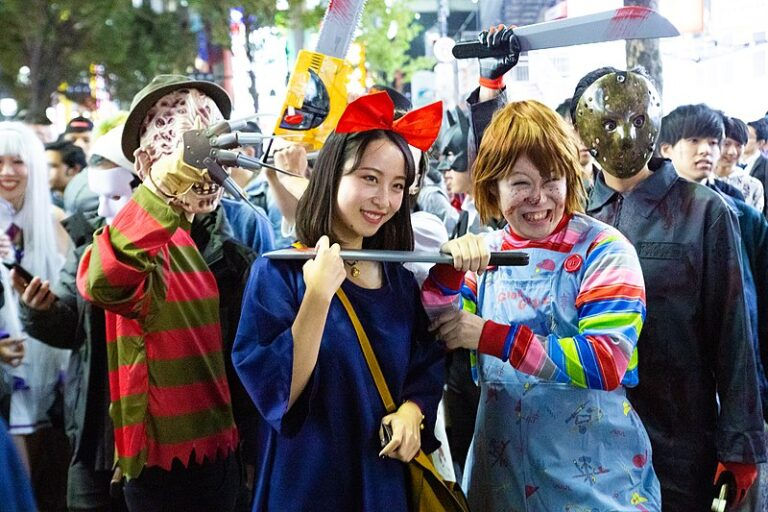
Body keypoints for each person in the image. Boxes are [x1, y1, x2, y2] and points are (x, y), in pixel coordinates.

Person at [424, 98, 660, 511]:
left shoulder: (603, 250)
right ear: (493, 188)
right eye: (519, 183)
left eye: (552, 180)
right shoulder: (486, 255)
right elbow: (435, 326)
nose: (539, 198)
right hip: (502, 481)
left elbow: (605, 361)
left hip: (598, 486)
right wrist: (448, 271)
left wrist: (489, 336)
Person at [232, 91, 446, 511]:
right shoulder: (279, 273)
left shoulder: (400, 282)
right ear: (331, 175)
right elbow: (280, 394)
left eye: (397, 185)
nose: (384, 200)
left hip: (383, 485)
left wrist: (411, 413)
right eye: (369, 178)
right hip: (305, 486)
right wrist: (317, 296)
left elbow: (425, 367)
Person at [77, 75, 244, 512]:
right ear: (146, 161)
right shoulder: (137, 239)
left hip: (221, 457)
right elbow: (102, 281)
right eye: (186, 153)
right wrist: (169, 180)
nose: (204, 167)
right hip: (167, 474)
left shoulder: (210, 240)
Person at [715, 114, 764, 211]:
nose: (732, 152)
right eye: (726, 144)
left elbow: (755, 223)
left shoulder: (753, 185)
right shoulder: (701, 179)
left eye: (739, 145)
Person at [45, 139, 88, 209]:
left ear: (74, 170)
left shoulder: (86, 200)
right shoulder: (45, 198)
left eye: (51, 166)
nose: (45, 172)